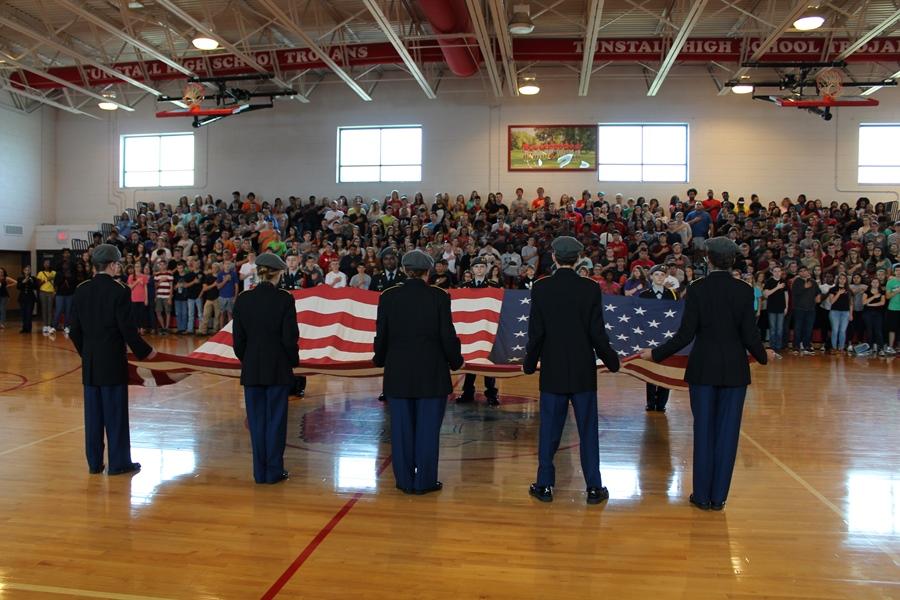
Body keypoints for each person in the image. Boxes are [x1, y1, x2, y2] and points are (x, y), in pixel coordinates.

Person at [640, 237, 773, 511]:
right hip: (735, 371)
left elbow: (685, 334)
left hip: (702, 369)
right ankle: (718, 498)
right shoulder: (744, 291)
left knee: (703, 431)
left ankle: (701, 496)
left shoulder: (698, 289)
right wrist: (763, 356)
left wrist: (655, 354)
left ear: (708, 260)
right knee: (727, 434)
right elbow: (750, 335)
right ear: (733, 260)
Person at [523, 236, 620, 505]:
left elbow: (536, 332)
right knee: (588, 430)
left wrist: (529, 364)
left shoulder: (541, 288)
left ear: (554, 257)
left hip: (552, 370)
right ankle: (593, 487)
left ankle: (544, 485)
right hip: (582, 371)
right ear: (578, 260)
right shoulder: (590, 288)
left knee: (549, 431)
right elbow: (596, 332)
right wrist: (611, 361)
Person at [373, 249, 463, 495]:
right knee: (427, 430)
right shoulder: (439, 297)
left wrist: (379, 360)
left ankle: (404, 480)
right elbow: (447, 335)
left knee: (401, 430)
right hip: (431, 373)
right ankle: (424, 481)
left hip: (398, 372)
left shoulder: (389, 296)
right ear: (428, 271)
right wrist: (456, 361)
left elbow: (382, 334)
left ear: (404, 270)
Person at [69, 244, 155, 476]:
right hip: (113, 362)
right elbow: (127, 329)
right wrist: (146, 352)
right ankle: (118, 463)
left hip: (91, 363)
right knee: (115, 415)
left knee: (93, 417)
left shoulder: (81, 289)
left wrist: (85, 353)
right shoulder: (120, 290)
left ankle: (94, 464)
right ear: (112, 264)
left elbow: (74, 330)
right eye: (118, 263)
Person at [232, 253, 299, 484]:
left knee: (257, 422)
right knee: (276, 422)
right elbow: (290, 339)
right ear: (278, 273)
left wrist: (249, 359)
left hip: (251, 369)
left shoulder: (243, 300)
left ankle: (259, 472)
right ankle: (273, 471)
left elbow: (238, 342)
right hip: (277, 368)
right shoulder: (284, 299)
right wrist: (292, 362)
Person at [458, 257, 501, 406]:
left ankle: (491, 394)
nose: (480, 270)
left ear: (486, 269)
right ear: (472, 269)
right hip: (470, 327)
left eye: (482, 267)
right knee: (471, 360)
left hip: (488, 326)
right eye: (477, 267)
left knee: (488, 361)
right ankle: (467, 392)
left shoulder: (493, 286)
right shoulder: (464, 286)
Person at [639, 265, 678, 412]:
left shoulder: (672, 294)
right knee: (651, 369)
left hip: (666, 336)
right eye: (657, 274)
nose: (660, 277)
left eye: (662, 274)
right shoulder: (644, 295)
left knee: (665, 368)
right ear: (651, 277)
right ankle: (650, 402)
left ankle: (662, 402)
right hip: (649, 336)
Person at [36, 258, 56, 334]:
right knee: (44, 309)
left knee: (50, 309)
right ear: (43, 264)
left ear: (50, 264)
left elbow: (56, 283)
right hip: (43, 292)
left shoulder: (54, 272)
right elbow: (38, 284)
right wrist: (45, 280)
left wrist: (55, 292)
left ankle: (49, 325)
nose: (47, 264)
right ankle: (45, 325)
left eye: (48, 263)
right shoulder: (40, 273)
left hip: (51, 292)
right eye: (45, 263)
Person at [16, 266, 37, 334]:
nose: (27, 271)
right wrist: (23, 282)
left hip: (30, 298)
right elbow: (18, 287)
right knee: (23, 314)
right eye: (26, 270)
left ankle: (28, 328)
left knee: (29, 313)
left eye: (28, 270)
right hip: (22, 298)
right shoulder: (20, 278)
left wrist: (31, 281)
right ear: (23, 271)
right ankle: (24, 328)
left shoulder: (33, 278)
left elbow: (36, 287)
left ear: (30, 271)